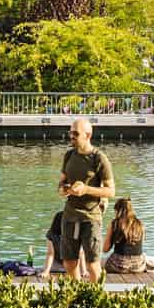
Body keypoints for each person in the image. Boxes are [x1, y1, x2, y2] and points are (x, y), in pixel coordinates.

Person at [51, 118, 115, 285]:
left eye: (75, 133)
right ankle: (78, 294)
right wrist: (63, 189)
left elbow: (111, 191)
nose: (71, 136)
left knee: (92, 264)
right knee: (69, 263)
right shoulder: (69, 155)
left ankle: (96, 298)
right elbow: (61, 182)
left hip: (91, 217)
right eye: (70, 132)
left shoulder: (99, 158)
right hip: (70, 215)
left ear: (88, 135)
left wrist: (86, 189)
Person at [105, 197, 150, 275]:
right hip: (138, 266)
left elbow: (105, 249)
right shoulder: (140, 223)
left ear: (117, 211)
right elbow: (141, 245)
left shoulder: (114, 223)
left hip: (118, 266)